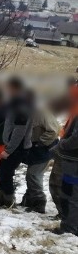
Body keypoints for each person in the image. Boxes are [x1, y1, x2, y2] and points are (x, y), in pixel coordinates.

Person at [0, 77, 33, 208]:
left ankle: (9, 202)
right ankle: (0, 200)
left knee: (5, 174)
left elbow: (20, 130)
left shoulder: (22, 105)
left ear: (14, 88)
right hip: (12, 145)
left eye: (8, 88)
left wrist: (9, 149)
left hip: (18, 147)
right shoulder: (15, 102)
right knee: (0, 170)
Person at [21, 96, 59, 213]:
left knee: (34, 174)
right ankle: (29, 200)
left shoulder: (42, 113)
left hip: (45, 148)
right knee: (30, 174)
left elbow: (53, 131)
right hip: (34, 149)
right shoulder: (27, 113)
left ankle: (39, 202)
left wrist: (41, 143)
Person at [54, 83, 78, 234]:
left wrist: (62, 145)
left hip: (73, 160)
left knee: (71, 193)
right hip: (72, 159)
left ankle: (70, 228)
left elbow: (76, 139)